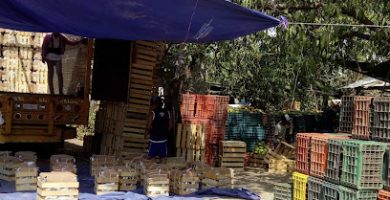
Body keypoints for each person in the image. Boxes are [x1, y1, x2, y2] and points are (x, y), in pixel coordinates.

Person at [145, 96, 173, 163]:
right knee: (163, 158)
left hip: (153, 141)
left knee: (151, 159)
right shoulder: (168, 113)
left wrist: (151, 131)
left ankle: (153, 173)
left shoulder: (152, 113)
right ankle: (162, 172)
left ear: (153, 104)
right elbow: (170, 127)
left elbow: (148, 127)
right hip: (163, 140)